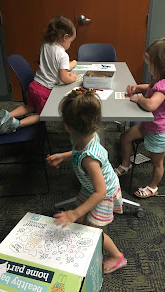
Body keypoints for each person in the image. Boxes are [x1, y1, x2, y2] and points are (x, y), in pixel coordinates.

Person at [46, 90, 127, 274]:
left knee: (94, 232)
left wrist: (74, 213)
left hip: (102, 194)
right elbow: (77, 153)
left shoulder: (89, 158)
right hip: (91, 188)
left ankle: (117, 256)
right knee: (82, 220)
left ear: (66, 126)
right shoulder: (87, 137)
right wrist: (63, 156)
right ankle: (81, 227)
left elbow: (101, 191)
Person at [114, 37, 165, 198]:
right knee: (125, 137)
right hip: (148, 126)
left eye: (150, 65)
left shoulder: (164, 86)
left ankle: (153, 187)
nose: (148, 68)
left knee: (157, 164)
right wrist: (138, 87)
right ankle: (126, 165)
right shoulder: (160, 79)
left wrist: (139, 98)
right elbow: (151, 87)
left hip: (159, 132)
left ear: (162, 66)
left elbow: (151, 104)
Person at [0, 15, 77, 134]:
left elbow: (55, 65)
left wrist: (71, 64)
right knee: (41, 115)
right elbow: (64, 77)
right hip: (45, 90)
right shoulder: (63, 55)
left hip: (35, 85)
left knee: (30, 106)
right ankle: (16, 124)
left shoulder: (46, 45)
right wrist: (73, 78)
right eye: (70, 42)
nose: (70, 45)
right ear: (65, 37)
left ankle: (7, 115)